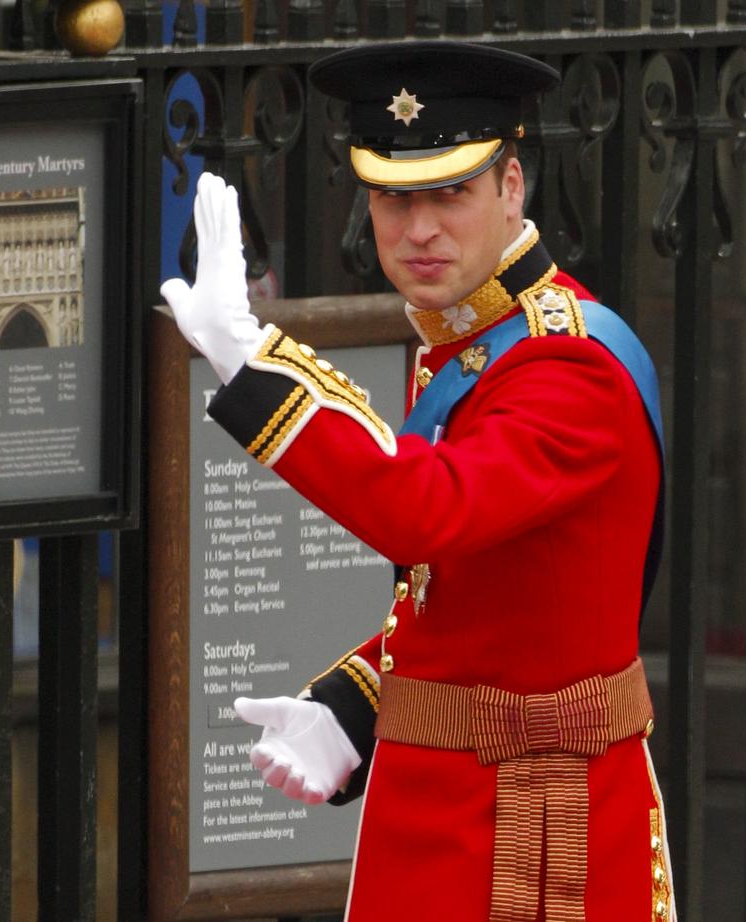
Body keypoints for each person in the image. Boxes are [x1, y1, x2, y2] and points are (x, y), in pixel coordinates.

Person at [160, 40, 675, 922]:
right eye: (396, 198)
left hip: (536, 833)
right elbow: (488, 602)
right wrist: (355, 705)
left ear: (512, 187)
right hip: (455, 805)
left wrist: (251, 361)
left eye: (451, 192)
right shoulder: (470, 338)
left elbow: (424, 510)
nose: (421, 228)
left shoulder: (566, 364)